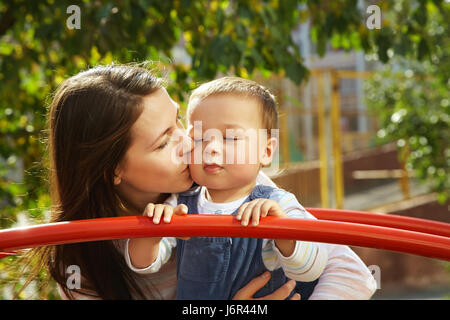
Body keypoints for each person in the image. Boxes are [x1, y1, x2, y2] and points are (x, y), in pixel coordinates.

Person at [25, 63, 376, 300]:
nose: (190, 142)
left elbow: (351, 273)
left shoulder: (222, 182)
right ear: (111, 169)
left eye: (182, 124)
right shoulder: (83, 259)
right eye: (164, 141)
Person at [126, 77, 328, 299]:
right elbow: (141, 264)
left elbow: (311, 270)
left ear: (267, 151)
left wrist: (284, 232)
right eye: (199, 138)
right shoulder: (180, 205)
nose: (211, 148)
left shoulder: (278, 204)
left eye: (230, 137)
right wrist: (151, 233)